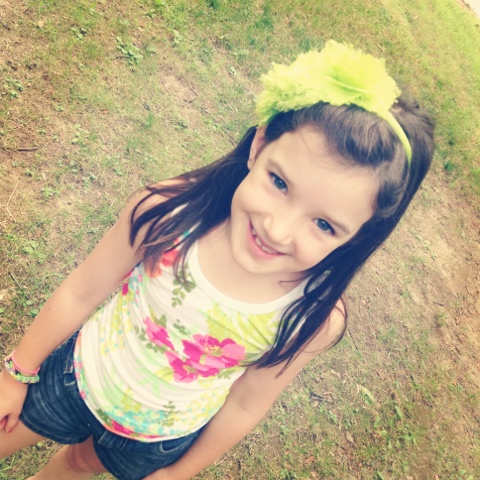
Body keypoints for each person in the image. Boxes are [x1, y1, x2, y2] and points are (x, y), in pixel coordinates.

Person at [0, 40, 434, 480]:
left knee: (78, 464)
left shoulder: (313, 316)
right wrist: (16, 374)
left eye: (324, 224)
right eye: (279, 182)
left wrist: (178, 472)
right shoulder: (165, 213)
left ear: (361, 233)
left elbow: (247, 402)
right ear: (259, 144)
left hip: (157, 438)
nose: (277, 230)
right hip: (78, 375)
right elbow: (81, 291)